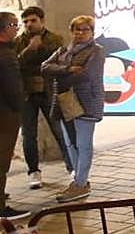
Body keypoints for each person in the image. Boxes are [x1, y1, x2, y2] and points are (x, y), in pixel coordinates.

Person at [40, 15, 105, 204]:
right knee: (70, 143)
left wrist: (59, 75)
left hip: (86, 102)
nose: (80, 33)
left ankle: (80, 183)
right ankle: (79, 180)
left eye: (85, 29)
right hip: (64, 102)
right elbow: (45, 67)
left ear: (92, 32)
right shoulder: (63, 50)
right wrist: (67, 70)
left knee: (84, 144)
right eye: (77, 29)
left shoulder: (96, 51)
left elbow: (86, 75)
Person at [15, 7, 71, 189]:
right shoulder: (18, 41)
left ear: (42, 21)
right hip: (26, 94)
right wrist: (29, 50)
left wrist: (40, 50)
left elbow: (57, 62)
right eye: (25, 22)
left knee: (59, 131)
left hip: (48, 92)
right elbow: (15, 64)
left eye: (33, 20)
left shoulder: (55, 39)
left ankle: (72, 167)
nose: (29, 25)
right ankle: (33, 171)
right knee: (28, 134)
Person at [0, 12, 32, 219]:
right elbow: (13, 88)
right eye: (14, 25)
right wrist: (20, 106)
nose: (17, 28)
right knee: (2, 160)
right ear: (5, 28)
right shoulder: (6, 54)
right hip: (5, 114)